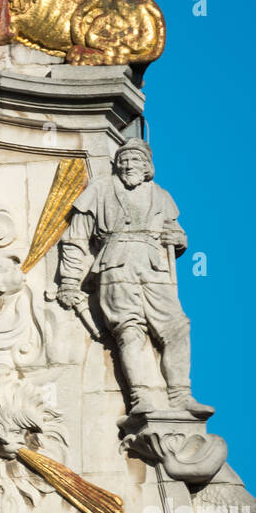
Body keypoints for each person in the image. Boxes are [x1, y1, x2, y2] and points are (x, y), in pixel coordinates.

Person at [56, 139, 212, 418]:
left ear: (147, 166)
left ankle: (180, 395)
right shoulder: (100, 189)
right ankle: (141, 396)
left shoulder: (161, 195)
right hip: (115, 265)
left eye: (135, 160)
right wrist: (68, 280)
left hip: (154, 268)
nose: (128, 165)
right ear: (116, 164)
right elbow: (75, 238)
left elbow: (177, 232)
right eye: (123, 160)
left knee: (178, 327)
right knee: (129, 329)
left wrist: (178, 239)